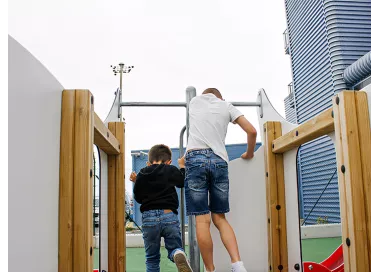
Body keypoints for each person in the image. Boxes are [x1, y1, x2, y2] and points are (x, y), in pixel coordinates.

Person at [185, 88, 257, 272]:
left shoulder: (193, 103)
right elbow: (252, 131)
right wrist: (249, 153)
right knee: (220, 218)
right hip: (219, 160)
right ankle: (237, 265)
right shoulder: (226, 105)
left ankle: (210, 270)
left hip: (195, 159)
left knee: (202, 221)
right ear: (220, 97)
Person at [130, 144, 193, 272]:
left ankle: (175, 253)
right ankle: (176, 252)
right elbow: (181, 182)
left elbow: (139, 198)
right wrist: (182, 166)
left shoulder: (142, 174)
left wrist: (137, 181)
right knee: (174, 246)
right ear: (169, 162)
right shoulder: (170, 169)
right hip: (168, 214)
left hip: (149, 218)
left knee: (152, 258)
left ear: (148, 163)